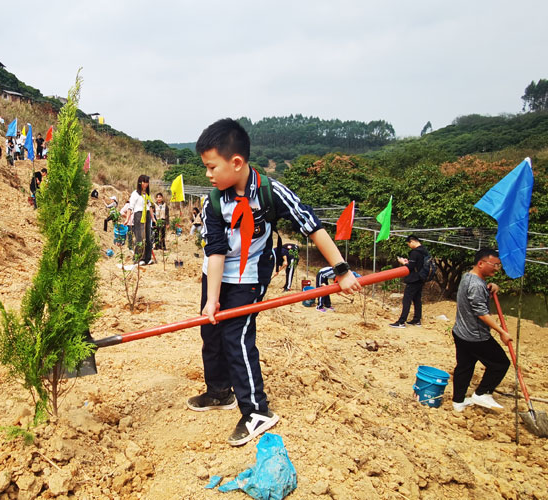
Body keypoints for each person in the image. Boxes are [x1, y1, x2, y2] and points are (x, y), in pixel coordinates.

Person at [189, 118, 360, 446]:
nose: (208, 174)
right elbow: (216, 250)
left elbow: (311, 226)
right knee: (211, 331)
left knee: (237, 337)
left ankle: (256, 411)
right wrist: (212, 300)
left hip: (250, 277)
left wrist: (342, 270)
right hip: (216, 273)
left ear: (236, 162)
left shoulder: (271, 192)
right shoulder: (214, 201)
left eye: (211, 167)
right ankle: (219, 391)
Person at [451, 249, 511, 412]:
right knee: (500, 363)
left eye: (498, 265)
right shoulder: (477, 284)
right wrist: (502, 332)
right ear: (481, 263)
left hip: (460, 331)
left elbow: (475, 297)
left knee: (464, 366)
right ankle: (482, 393)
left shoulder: (467, 276)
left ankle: (458, 401)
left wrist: (490, 287)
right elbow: (481, 313)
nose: (497, 269)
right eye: (494, 265)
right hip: (475, 336)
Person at [390, 235, 431, 328]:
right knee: (417, 299)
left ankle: (401, 322)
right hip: (421, 278)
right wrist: (408, 262)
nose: (409, 246)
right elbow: (417, 265)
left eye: (408, 244)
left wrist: (403, 263)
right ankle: (417, 320)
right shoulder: (424, 251)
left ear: (412, 241)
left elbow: (411, 267)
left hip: (414, 279)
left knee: (407, 299)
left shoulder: (415, 252)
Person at [127, 174, 155, 265]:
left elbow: (150, 207)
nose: (145, 184)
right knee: (140, 238)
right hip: (139, 215)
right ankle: (138, 258)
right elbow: (130, 207)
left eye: (147, 182)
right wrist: (127, 219)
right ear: (140, 182)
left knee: (148, 238)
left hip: (147, 215)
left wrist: (153, 218)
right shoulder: (135, 194)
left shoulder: (147, 194)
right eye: (144, 182)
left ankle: (147, 258)